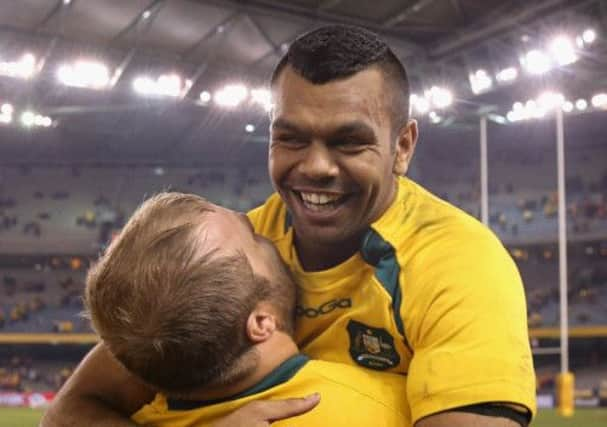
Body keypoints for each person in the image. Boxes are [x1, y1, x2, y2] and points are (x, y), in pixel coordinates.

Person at [43, 25, 536, 427]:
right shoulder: (235, 251)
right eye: (292, 138)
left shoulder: (459, 264)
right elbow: (70, 410)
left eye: (348, 141)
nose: (316, 166)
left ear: (403, 146)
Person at [83, 192, 409, 426]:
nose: (258, 221)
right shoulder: (387, 408)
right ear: (261, 322)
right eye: (252, 238)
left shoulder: (138, 417)